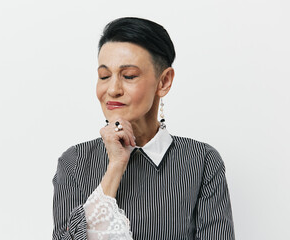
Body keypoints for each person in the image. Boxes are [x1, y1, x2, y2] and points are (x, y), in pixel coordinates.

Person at [52, 17, 235, 240]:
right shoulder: (75, 162)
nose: (113, 89)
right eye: (104, 76)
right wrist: (115, 167)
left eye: (128, 76)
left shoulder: (201, 160)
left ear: (164, 81)